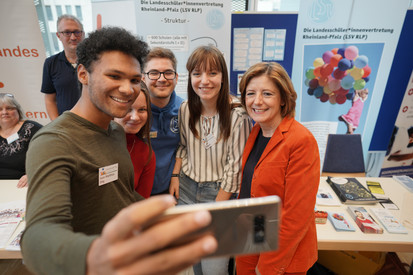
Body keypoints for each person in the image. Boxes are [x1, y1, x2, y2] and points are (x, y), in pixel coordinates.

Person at [22, 27, 217, 275]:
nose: (127, 89)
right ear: (83, 73)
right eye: (114, 76)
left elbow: (119, 194)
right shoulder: (54, 141)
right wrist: (95, 256)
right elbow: (37, 237)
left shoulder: (115, 131)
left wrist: (163, 217)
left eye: (135, 80)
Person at [170, 45, 252, 275]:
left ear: (223, 77)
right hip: (186, 191)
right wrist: (175, 176)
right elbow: (183, 146)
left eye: (212, 73)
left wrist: (217, 208)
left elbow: (235, 169)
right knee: (191, 263)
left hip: (217, 195)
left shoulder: (238, 115)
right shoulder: (186, 108)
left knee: (214, 268)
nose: (204, 81)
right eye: (197, 74)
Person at [236, 62, 320, 275]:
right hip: (250, 239)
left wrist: (269, 266)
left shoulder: (301, 141)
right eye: (250, 93)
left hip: (281, 256)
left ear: (283, 98)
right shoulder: (256, 132)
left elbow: (295, 216)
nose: (257, 101)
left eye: (267, 94)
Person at [142, 47, 184, 195]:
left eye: (168, 73)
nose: (161, 79)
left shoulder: (185, 110)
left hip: (172, 190)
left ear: (176, 77)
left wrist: (175, 175)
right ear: (143, 78)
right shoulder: (133, 112)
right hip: (137, 191)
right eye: (153, 73)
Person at [114, 82, 156, 198]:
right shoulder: (94, 143)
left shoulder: (146, 154)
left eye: (142, 110)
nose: (135, 117)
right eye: (128, 109)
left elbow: (142, 203)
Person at [41, 14, 84, 120]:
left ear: (83, 34)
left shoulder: (95, 60)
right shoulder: (50, 63)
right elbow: (50, 100)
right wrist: (57, 126)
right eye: (67, 33)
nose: (73, 37)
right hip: (66, 126)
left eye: (77, 32)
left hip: (95, 124)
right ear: (58, 35)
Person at [0, 93, 42, 187]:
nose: (4, 112)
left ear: (18, 111)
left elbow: (49, 155)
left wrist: (33, 173)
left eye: (9, 108)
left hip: (24, 185)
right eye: (0, 109)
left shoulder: (32, 128)